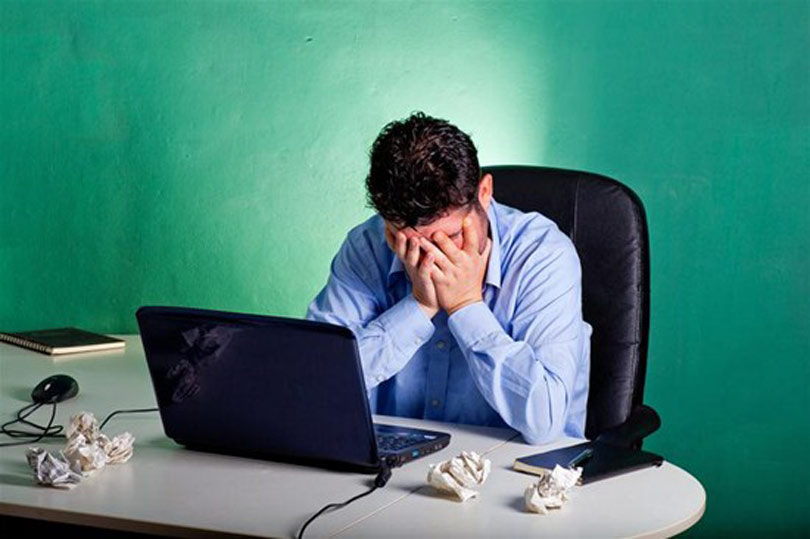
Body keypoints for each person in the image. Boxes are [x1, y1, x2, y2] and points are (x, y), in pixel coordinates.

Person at [306, 112, 592, 444]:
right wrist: (419, 306)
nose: (428, 260)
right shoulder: (366, 246)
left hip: (515, 468)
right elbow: (314, 388)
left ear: (484, 193)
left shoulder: (542, 254)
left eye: (449, 237)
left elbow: (545, 421)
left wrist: (465, 306)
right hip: (393, 463)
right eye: (405, 240)